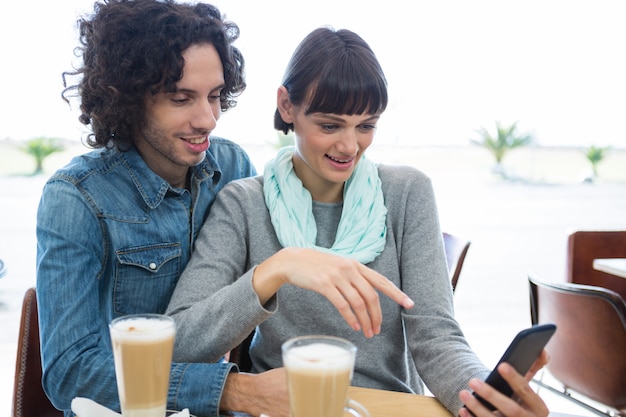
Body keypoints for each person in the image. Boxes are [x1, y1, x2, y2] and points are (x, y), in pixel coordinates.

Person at [166, 26, 551, 417]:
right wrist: (276, 270)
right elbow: (179, 344)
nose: (350, 146)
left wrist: (480, 397)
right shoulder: (244, 203)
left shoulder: (407, 192)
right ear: (287, 106)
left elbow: (436, 337)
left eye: (366, 125)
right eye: (330, 126)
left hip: (390, 408)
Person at [35, 1, 289, 416]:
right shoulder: (76, 198)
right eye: (181, 98)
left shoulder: (233, 168)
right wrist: (231, 392)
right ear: (130, 99)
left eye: (215, 96)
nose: (207, 119)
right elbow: (70, 373)